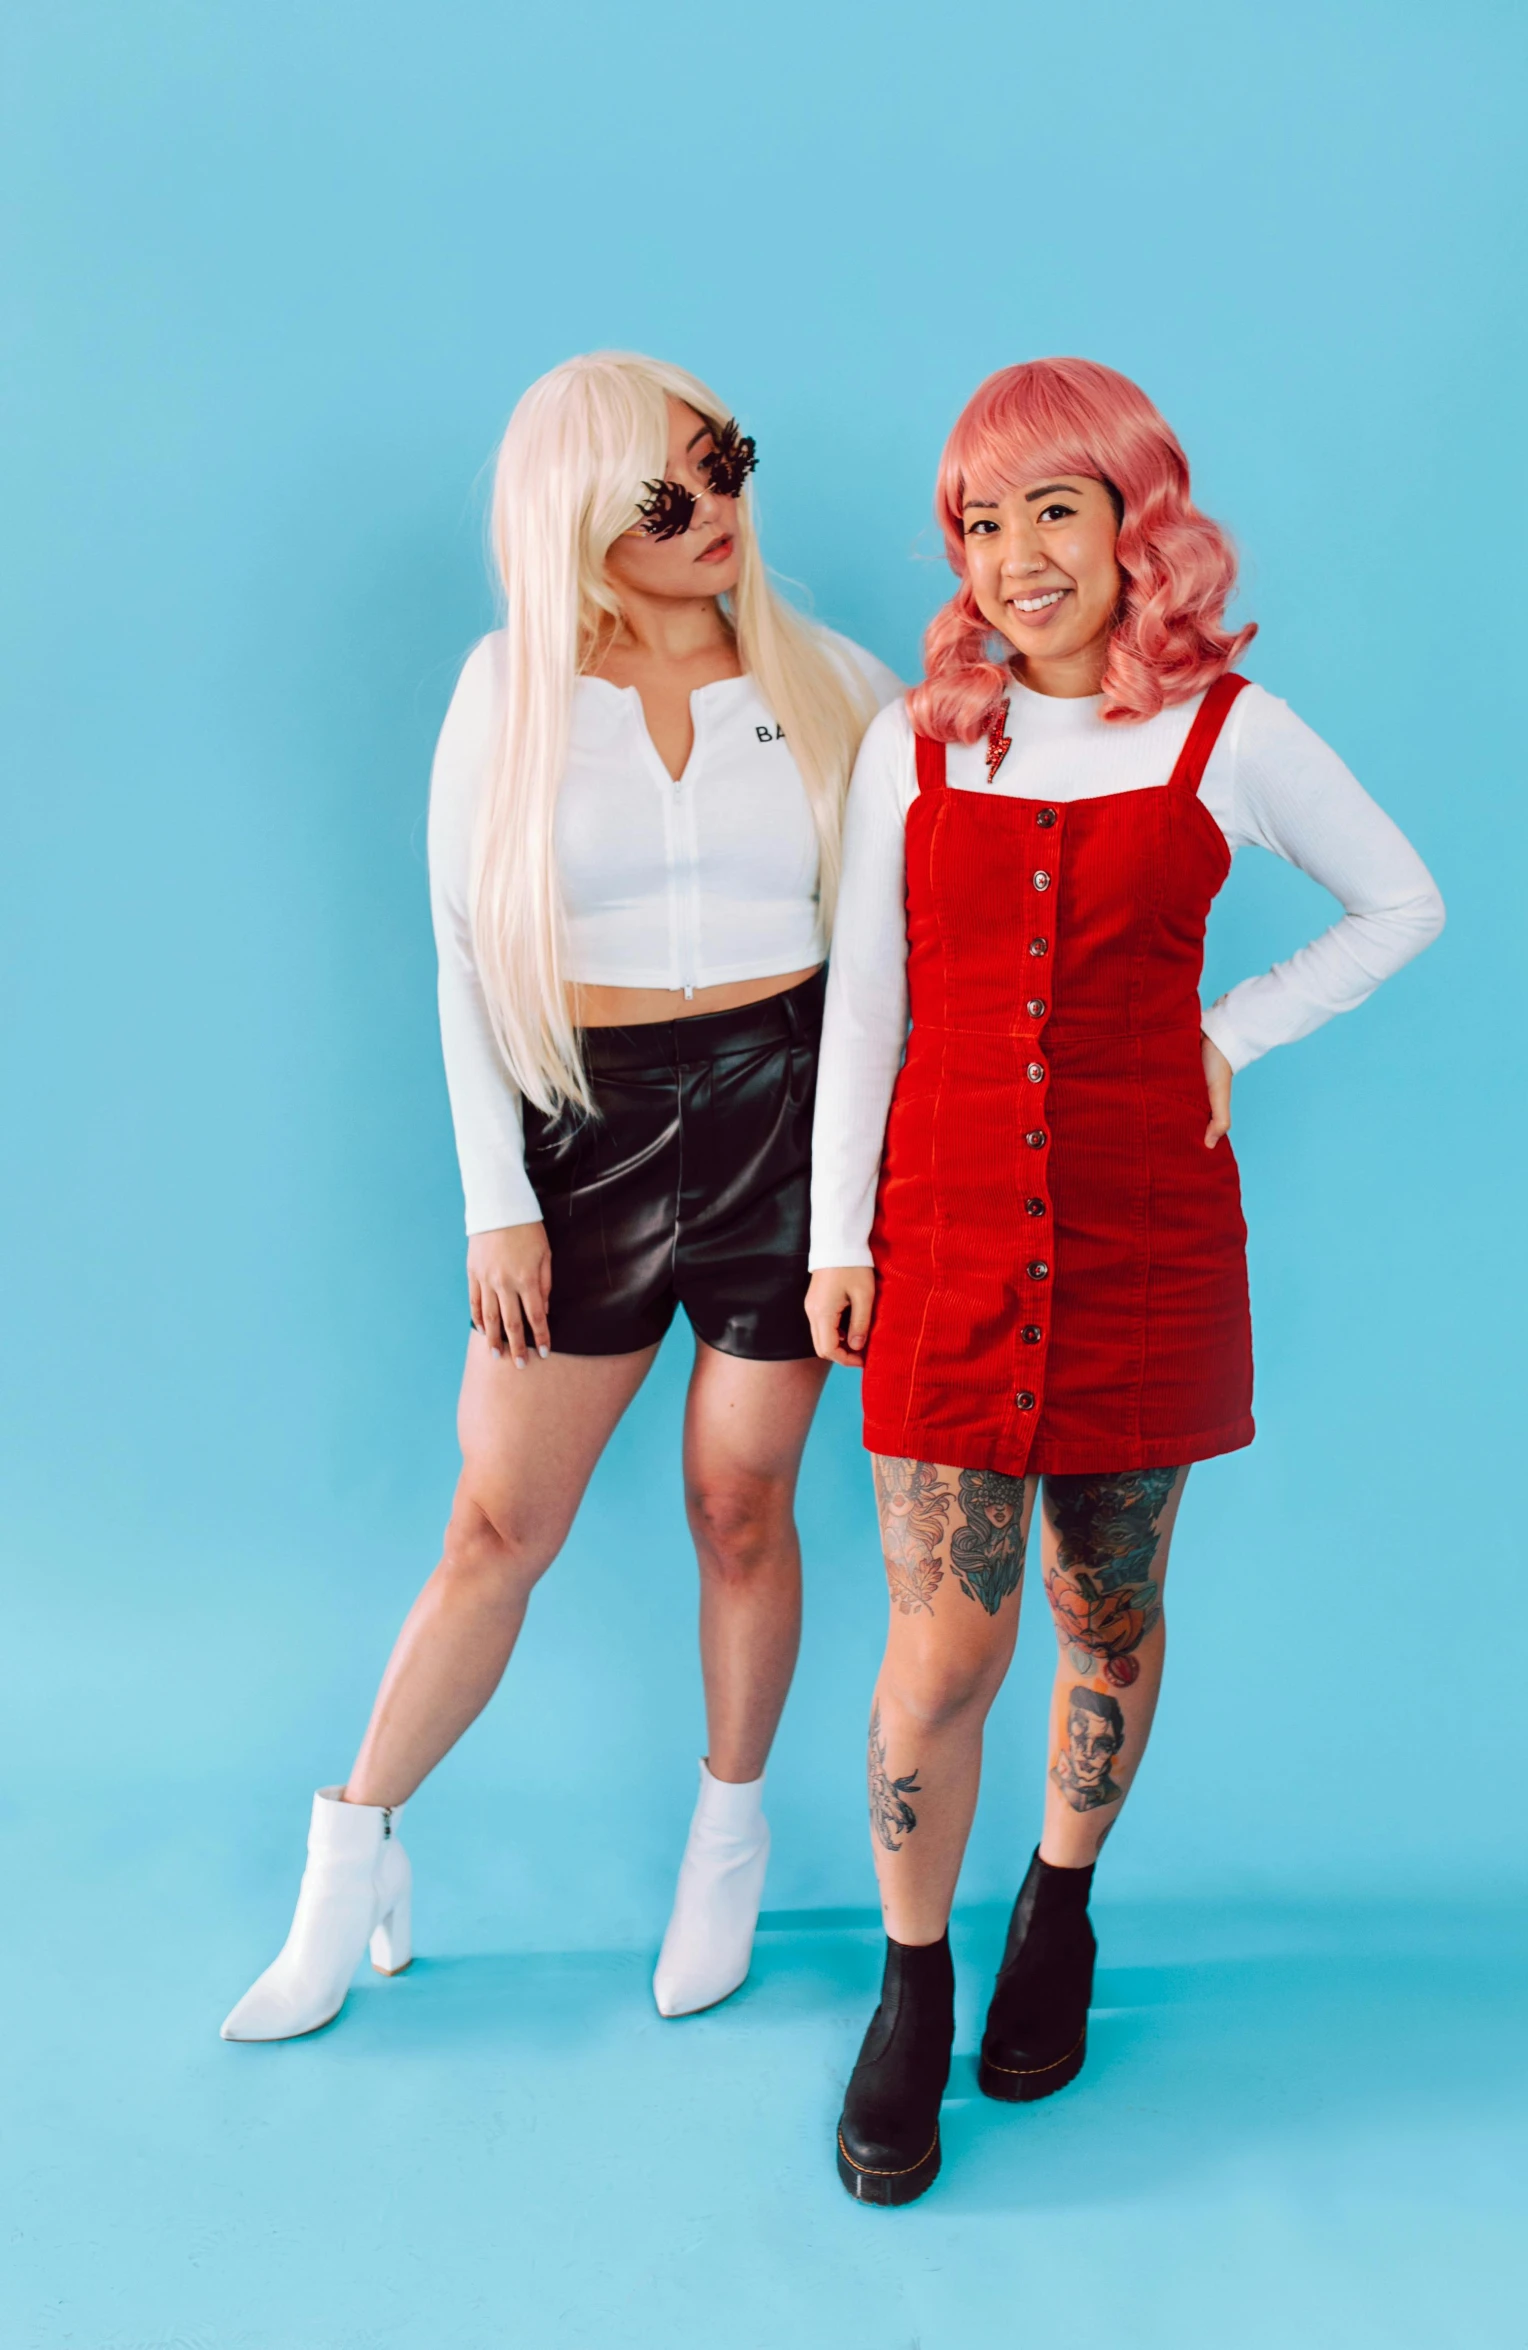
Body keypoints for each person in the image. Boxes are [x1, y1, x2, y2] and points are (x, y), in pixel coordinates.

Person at [805, 357, 1444, 2203]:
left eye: (1051, 512)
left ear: (1135, 524)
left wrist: (1226, 1036)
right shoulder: (915, 739)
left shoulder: (1228, 734)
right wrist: (839, 1238)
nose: (1014, 559)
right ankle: (911, 1983)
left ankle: (1058, 1911)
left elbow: (1401, 899)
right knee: (942, 1648)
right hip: (939, 1236)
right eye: (979, 526)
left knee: (1105, 1613)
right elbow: (869, 1004)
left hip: (1145, 1239)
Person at [221, 352, 900, 2043]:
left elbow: (890, 962)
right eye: (670, 495)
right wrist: (495, 1201)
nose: (717, 514)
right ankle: (348, 1850)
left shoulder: (832, 686)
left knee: (741, 1502)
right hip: (578, 1131)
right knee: (496, 1525)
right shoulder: (505, 689)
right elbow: (462, 959)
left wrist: (851, 1206)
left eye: (726, 465)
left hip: (782, 1114)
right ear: (586, 520)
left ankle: (724, 1847)